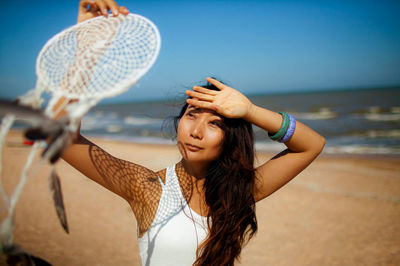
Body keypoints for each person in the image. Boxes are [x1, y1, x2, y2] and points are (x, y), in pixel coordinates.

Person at [61, 1, 326, 265]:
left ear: (230, 139)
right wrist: (86, 45)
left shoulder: (239, 192)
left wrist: (250, 111)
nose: (196, 131)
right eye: (191, 116)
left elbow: (312, 144)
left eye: (215, 124)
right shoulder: (148, 188)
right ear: (179, 123)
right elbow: (63, 140)